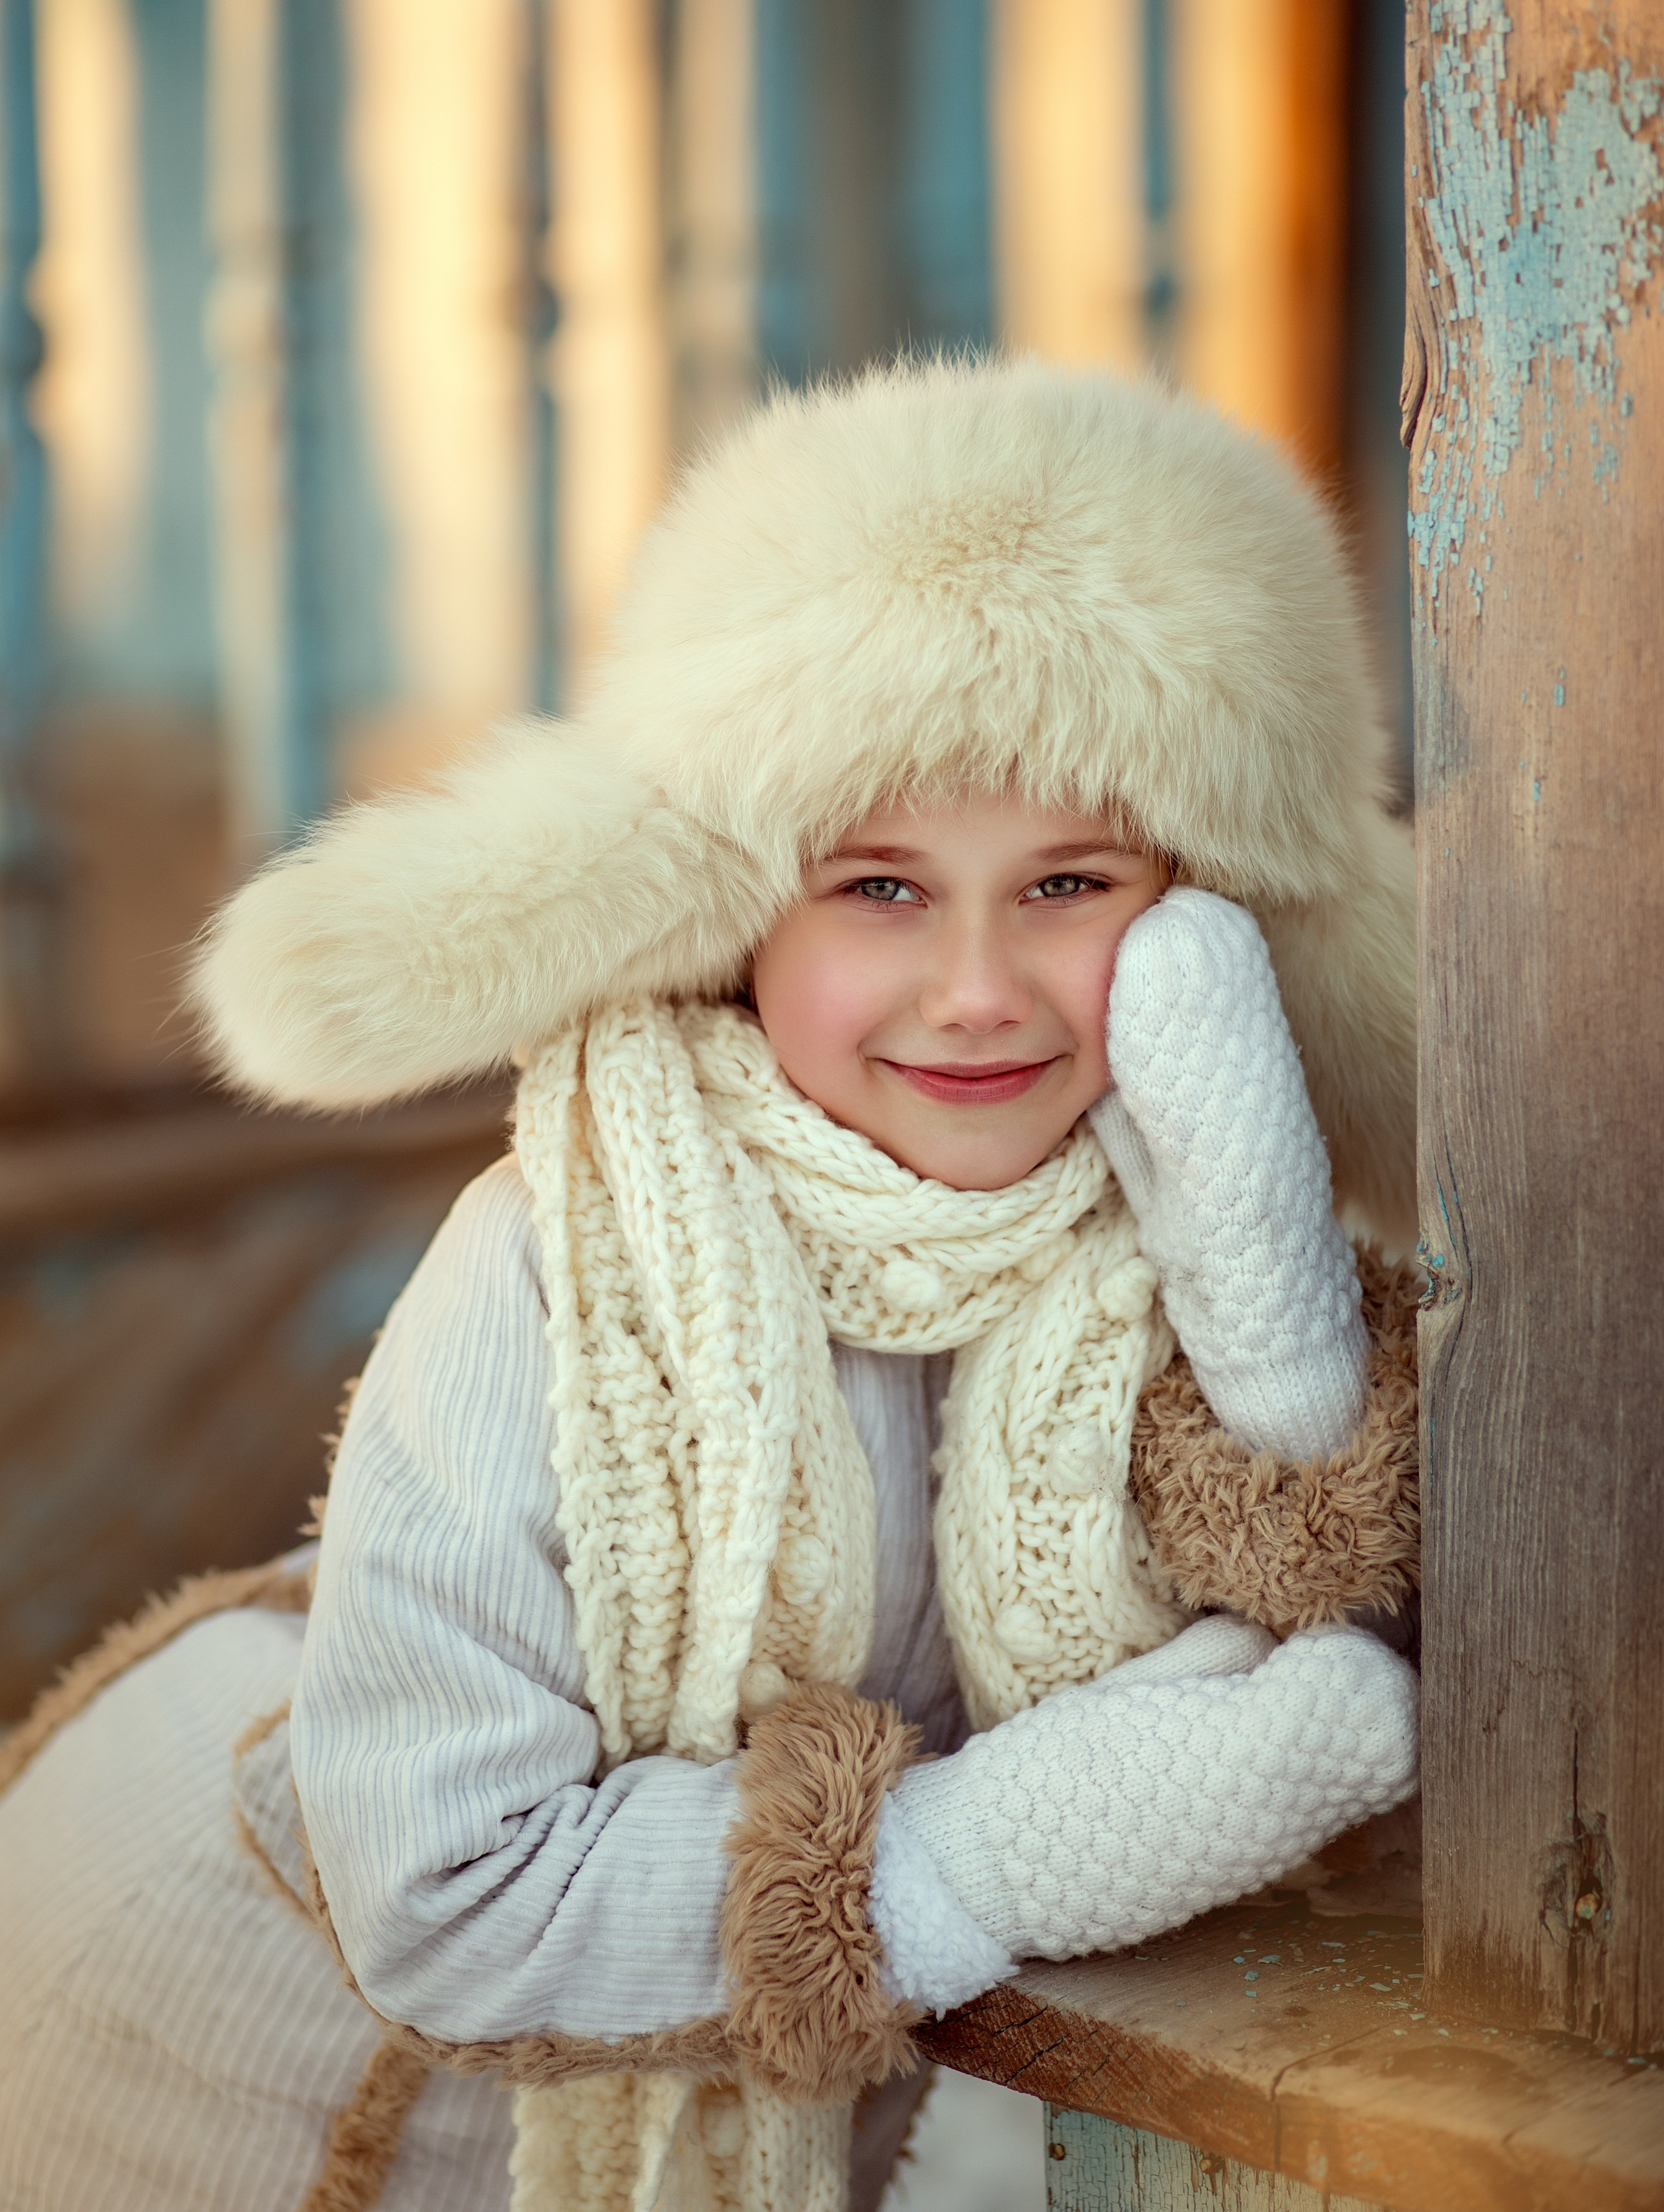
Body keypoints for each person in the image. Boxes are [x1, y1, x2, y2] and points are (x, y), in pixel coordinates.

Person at [0, 358, 1422, 2212]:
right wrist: (950, 1868)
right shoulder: (552, 1265)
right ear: (728, 906)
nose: (980, 988)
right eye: (881, 889)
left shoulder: (1163, 1231)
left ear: (1214, 922)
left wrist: (1268, 1286)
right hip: (230, 2009)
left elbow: (1334, 1691)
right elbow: (440, 1896)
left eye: (1073, 881)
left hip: (705, 2079)